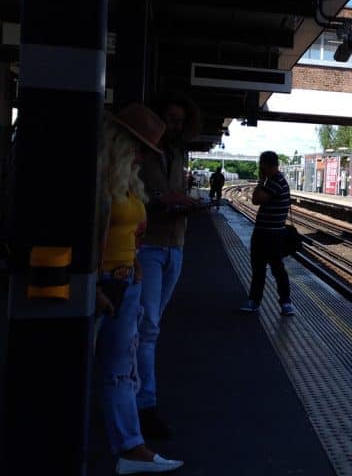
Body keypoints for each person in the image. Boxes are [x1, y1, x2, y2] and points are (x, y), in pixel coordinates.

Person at [96, 104, 184, 474]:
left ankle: (131, 448)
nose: (144, 155)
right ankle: (126, 447)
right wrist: (91, 287)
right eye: (140, 147)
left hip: (124, 283)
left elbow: (130, 233)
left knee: (120, 370)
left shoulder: (127, 181)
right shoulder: (97, 180)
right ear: (118, 142)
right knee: (102, 368)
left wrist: (134, 269)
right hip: (100, 287)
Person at [136, 95, 200, 439]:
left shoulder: (178, 153)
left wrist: (183, 203)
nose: (174, 125)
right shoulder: (142, 154)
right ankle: (144, 405)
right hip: (147, 247)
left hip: (175, 245)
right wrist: (166, 201)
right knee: (147, 329)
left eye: (179, 120)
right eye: (169, 118)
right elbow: (135, 194)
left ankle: (138, 395)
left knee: (151, 326)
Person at [240, 151, 295, 316]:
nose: (261, 169)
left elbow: (256, 199)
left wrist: (260, 181)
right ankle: (271, 302)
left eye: (262, 166)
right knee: (268, 269)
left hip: (270, 235)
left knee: (270, 270)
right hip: (269, 233)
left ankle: (282, 302)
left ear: (268, 165)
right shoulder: (275, 180)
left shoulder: (275, 182)